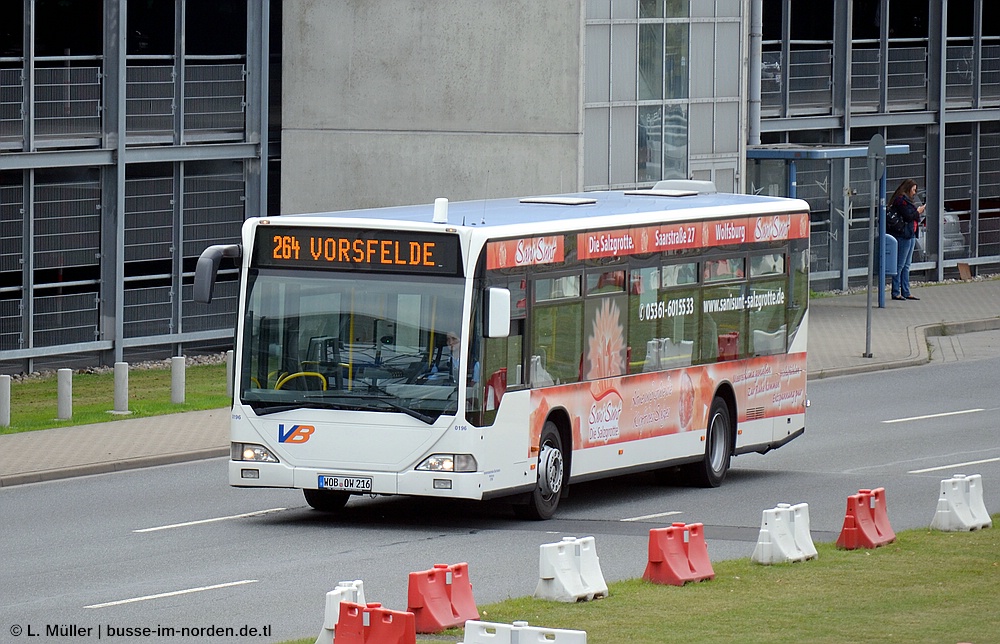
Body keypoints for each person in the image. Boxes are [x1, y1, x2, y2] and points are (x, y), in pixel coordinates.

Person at [889, 178, 925, 301]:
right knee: (900, 264)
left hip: (910, 234)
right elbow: (909, 215)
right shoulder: (900, 200)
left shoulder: (906, 200)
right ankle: (895, 292)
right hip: (903, 235)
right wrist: (918, 211)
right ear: (908, 188)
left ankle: (906, 291)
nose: (914, 192)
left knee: (906, 265)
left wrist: (916, 212)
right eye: (913, 190)